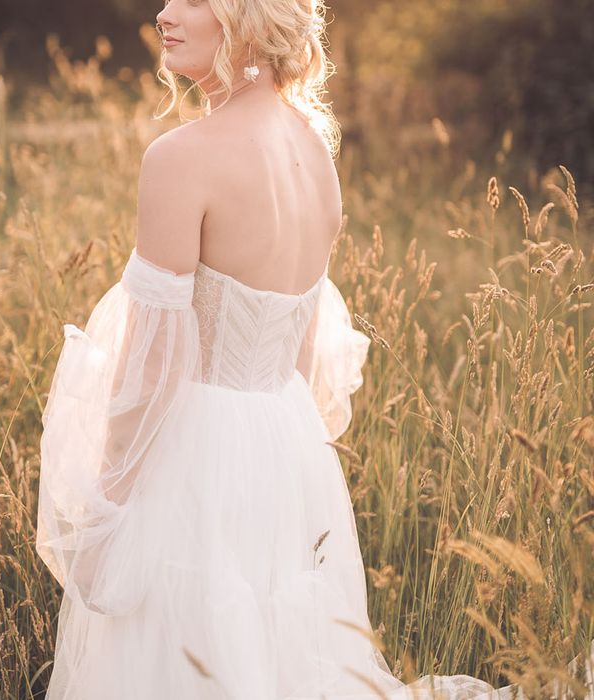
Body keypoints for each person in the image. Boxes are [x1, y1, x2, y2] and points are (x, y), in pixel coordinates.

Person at [35, 1, 594, 698]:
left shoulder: (179, 159)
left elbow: (156, 365)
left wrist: (108, 511)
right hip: (285, 441)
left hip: (195, 453)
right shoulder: (312, 148)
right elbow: (300, 346)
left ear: (246, 20)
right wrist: (284, 465)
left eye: (193, 0)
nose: (165, 13)